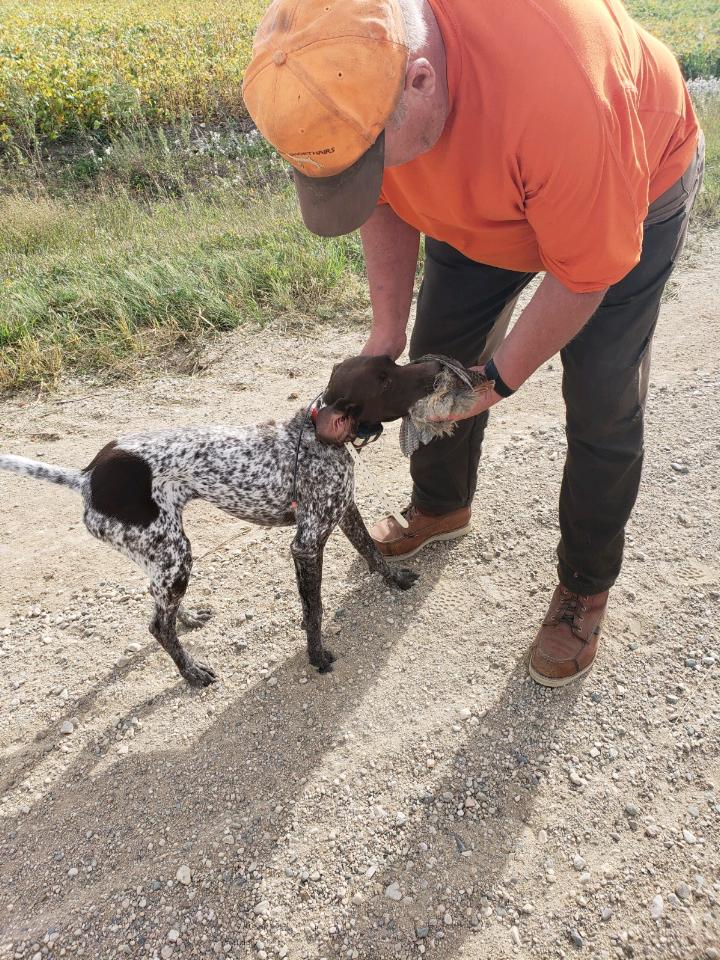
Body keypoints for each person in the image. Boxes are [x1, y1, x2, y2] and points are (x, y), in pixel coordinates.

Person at [243, 0, 703, 686]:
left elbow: (585, 275)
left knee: (602, 396)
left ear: (422, 80)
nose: (368, 176)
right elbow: (384, 199)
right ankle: (443, 505)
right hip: (482, 200)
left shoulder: (563, 92)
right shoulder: (350, 60)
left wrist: (495, 382)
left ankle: (583, 586)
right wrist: (386, 334)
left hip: (621, 185)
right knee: (435, 353)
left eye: (370, 160)